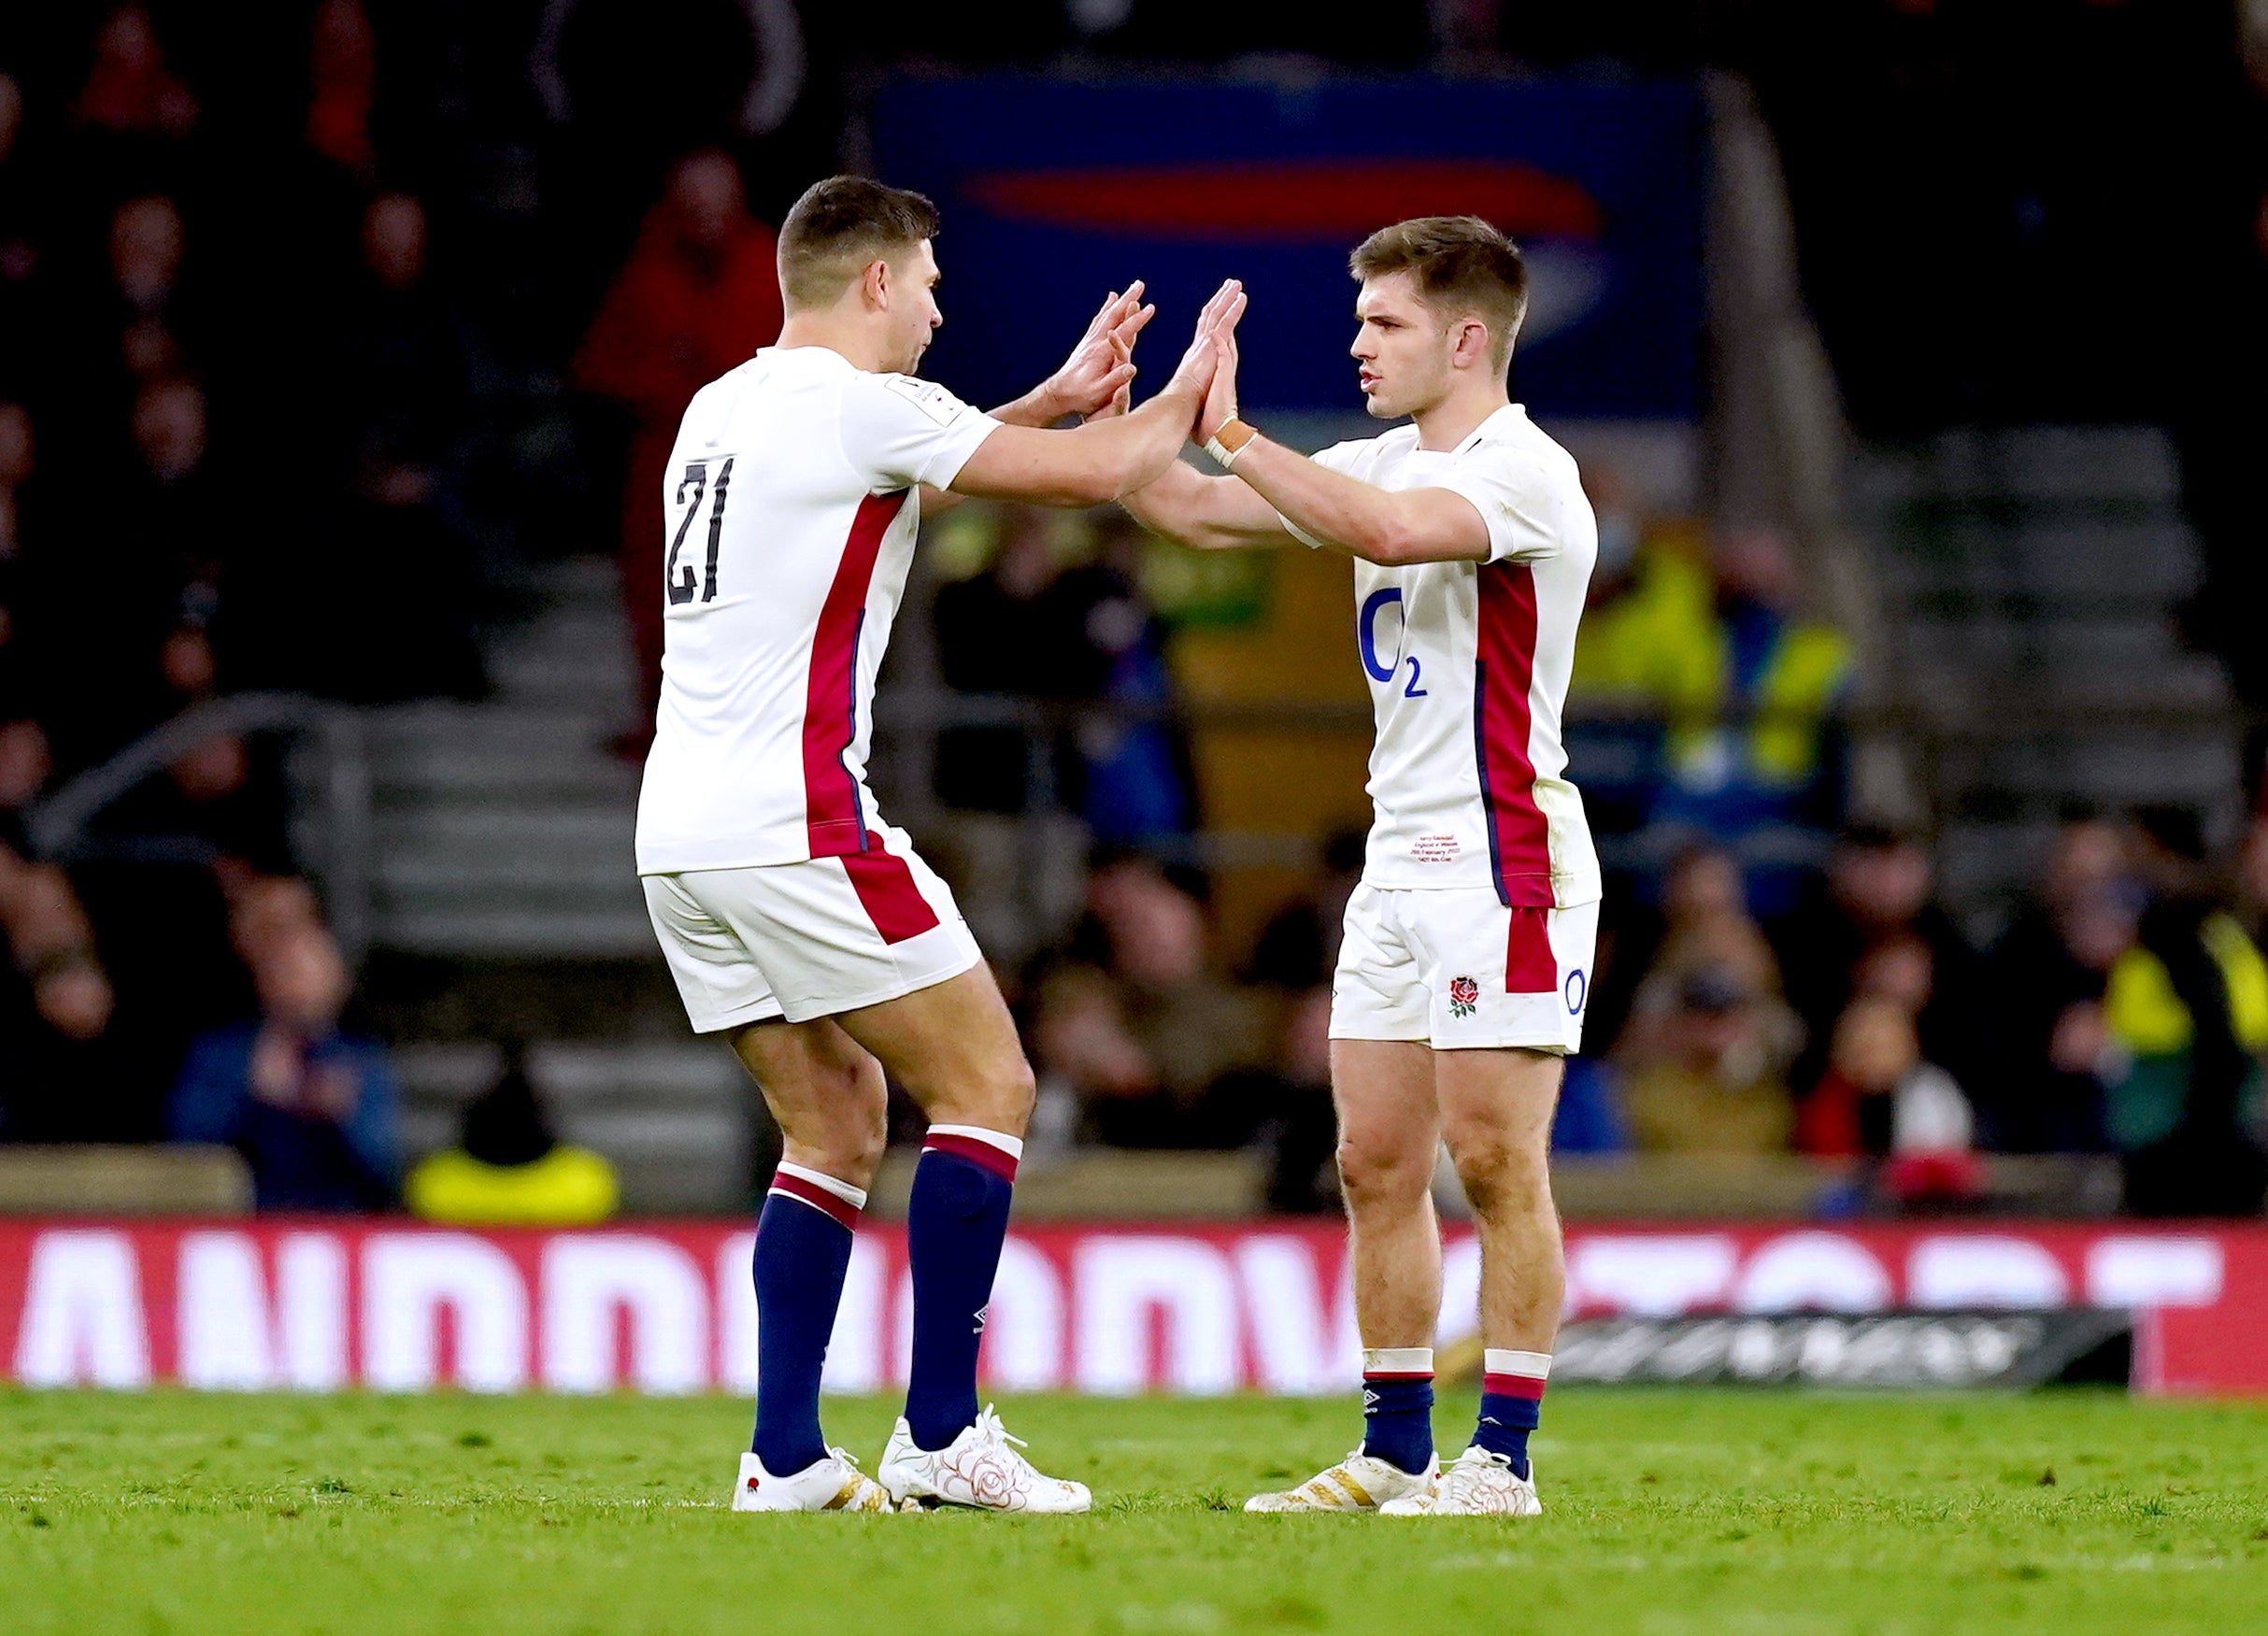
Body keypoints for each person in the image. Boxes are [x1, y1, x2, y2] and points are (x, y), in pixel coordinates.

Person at [633, 175, 1234, 1515]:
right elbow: (1093, 480)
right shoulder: (861, 406)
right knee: (991, 1085)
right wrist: (1185, 392)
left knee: (834, 1116)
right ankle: (942, 1434)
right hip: (798, 816)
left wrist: (1038, 402)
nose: (942, 303)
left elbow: (884, 485)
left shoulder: (724, 407)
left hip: (682, 831)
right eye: (931, 279)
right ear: (878, 284)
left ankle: (784, 1459)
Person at [1123, 215, 1597, 1517]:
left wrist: (1237, 436)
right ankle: (1394, 1454)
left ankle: (1499, 1461)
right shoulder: (1379, 459)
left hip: (1505, 854)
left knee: (1497, 1161)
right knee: (1373, 1163)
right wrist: (1130, 417)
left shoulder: (1525, 472)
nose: (1358, 342)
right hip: (1400, 861)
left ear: (1464, 337)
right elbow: (1193, 514)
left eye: (1383, 322)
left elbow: (1388, 536)